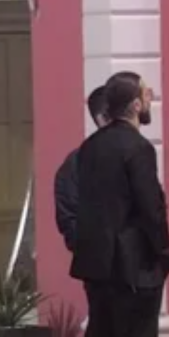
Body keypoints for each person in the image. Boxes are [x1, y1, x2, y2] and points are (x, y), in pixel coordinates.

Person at [71, 71, 169, 337]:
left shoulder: (90, 147)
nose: (150, 98)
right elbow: (151, 209)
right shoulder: (138, 148)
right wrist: (163, 254)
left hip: (97, 268)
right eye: (146, 94)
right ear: (134, 105)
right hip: (134, 269)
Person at [54, 86, 110, 252]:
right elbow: (70, 220)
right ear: (102, 119)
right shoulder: (77, 164)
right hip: (98, 260)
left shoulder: (136, 155)